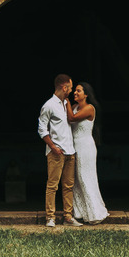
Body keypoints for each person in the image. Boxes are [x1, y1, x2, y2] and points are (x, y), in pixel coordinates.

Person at [37, 73, 81, 227]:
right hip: (56, 151)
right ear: (64, 87)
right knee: (52, 185)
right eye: (70, 87)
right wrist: (53, 147)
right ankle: (50, 217)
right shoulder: (49, 105)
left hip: (70, 151)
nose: (71, 90)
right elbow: (42, 129)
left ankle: (68, 217)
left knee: (68, 186)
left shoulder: (65, 104)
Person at [67, 81, 108, 224]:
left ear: (86, 94)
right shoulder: (74, 107)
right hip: (74, 146)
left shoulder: (90, 108)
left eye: (78, 91)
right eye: (75, 91)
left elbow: (71, 118)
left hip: (85, 146)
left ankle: (94, 212)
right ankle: (79, 212)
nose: (75, 93)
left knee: (85, 177)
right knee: (76, 179)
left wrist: (65, 102)